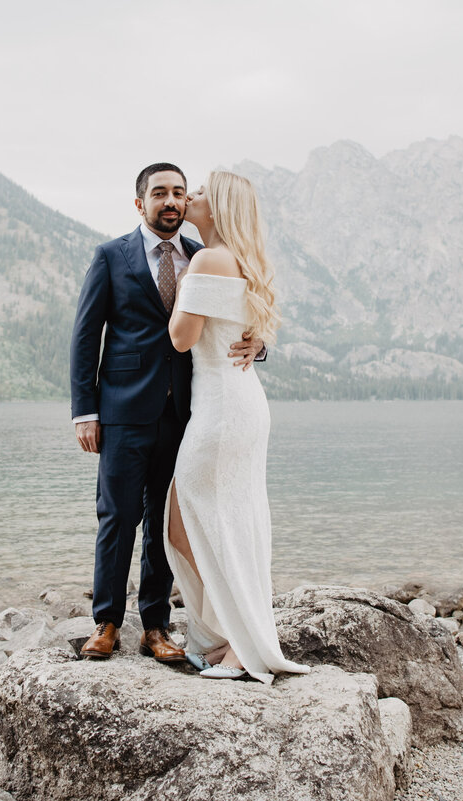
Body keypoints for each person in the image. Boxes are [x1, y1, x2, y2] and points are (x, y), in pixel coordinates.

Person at [70, 163, 264, 662]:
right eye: (161, 193)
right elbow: (86, 337)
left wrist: (259, 344)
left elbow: (238, 320)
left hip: (186, 411)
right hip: (123, 410)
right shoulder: (111, 256)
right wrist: (84, 411)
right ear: (141, 203)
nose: (173, 200)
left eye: (180, 192)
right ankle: (107, 622)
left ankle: (156, 626)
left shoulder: (205, 255)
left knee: (165, 518)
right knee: (117, 516)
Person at [163, 171, 311, 684]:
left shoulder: (207, 259)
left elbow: (182, 338)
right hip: (239, 402)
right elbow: (240, 332)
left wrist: (184, 289)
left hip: (222, 410)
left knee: (190, 520)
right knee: (213, 520)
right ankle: (227, 632)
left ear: (220, 205)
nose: (191, 197)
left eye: (200, 191)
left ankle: (234, 641)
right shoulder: (242, 260)